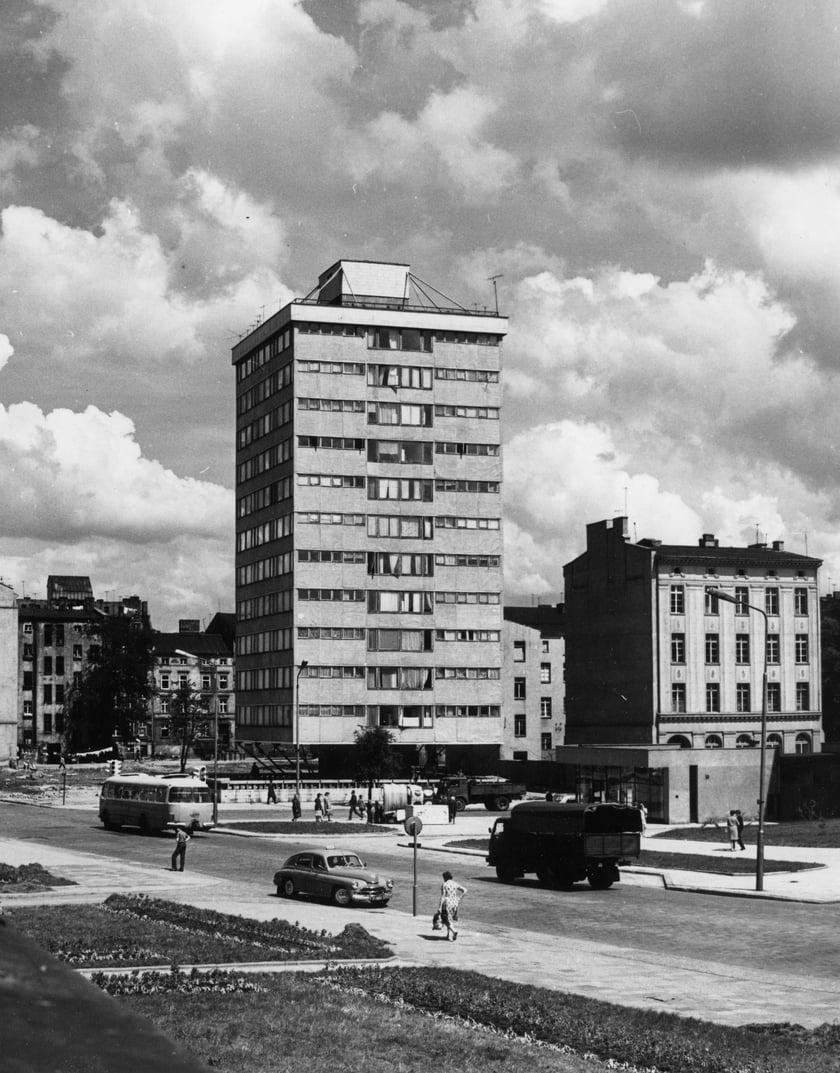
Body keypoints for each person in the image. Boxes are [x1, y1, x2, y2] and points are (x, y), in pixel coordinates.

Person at [438, 870, 467, 942]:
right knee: (450, 918)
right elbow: (465, 890)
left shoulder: (444, 884)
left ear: (445, 877)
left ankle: (453, 932)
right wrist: (459, 898)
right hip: (455, 903)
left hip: (447, 902)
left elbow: (443, 896)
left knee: (446, 919)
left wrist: (440, 907)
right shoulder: (454, 883)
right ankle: (448, 935)